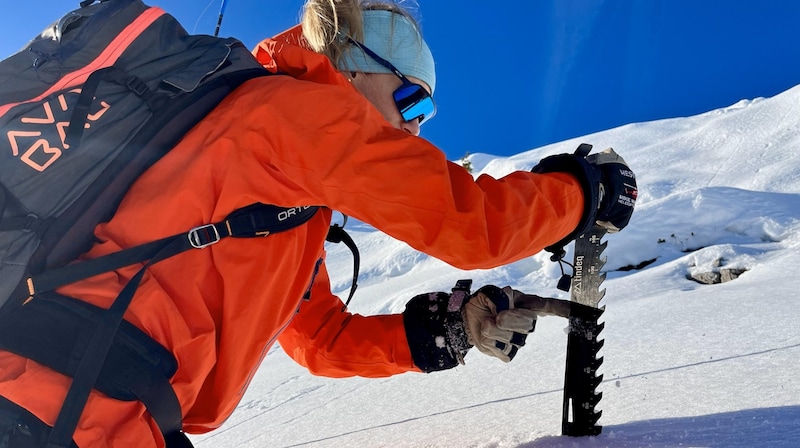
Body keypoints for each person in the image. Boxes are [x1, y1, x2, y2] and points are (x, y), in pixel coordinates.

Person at [0, 0, 637, 446]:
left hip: (91, 410)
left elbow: (320, 340)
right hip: (59, 409)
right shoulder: (293, 115)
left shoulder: (280, 192)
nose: (416, 126)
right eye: (412, 99)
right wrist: (581, 193)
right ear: (355, 66)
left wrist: (445, 331)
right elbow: (472, 225)